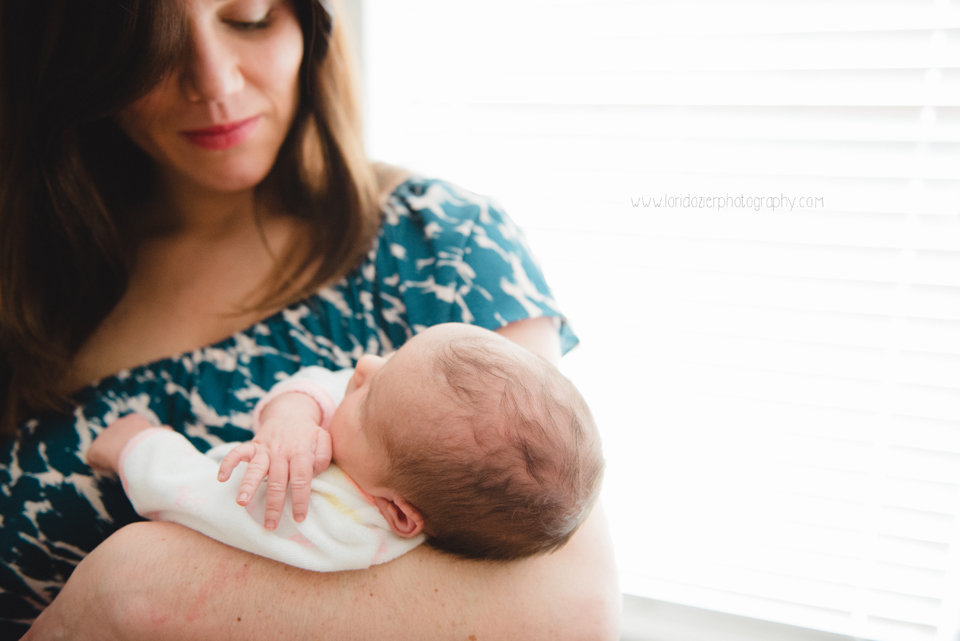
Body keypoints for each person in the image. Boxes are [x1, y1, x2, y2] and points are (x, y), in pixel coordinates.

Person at [0, 0, 620, 638]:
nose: (214, 83)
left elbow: (572, 606)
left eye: (250, 18)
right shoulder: (33, 273)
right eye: (152, 45)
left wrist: (137, 584)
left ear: (310, 25)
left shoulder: (439, 245)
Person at [87, 323, 604, 569]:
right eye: (390, 358)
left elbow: (196, 496)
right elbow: (328, 383)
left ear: (397, 514)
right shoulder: (394, 463)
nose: (362, 367)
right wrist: (293, 412)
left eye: (369, 392)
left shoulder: (333, 523)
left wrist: (135, 445)